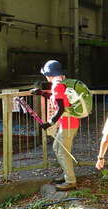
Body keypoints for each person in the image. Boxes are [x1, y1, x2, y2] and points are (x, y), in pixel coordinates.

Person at [31, 60, 79, 191]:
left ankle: (70, 181)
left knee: (62, 151)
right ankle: (67, 175)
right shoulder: (62, 82)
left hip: (69, 124)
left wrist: (50, 123)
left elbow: (61, 108)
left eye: (46, 74)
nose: (45, 76)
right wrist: (41, 93)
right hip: (69, 122)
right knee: (57, 147)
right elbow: (56, 98)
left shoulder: (57, 86)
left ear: (50, 74)